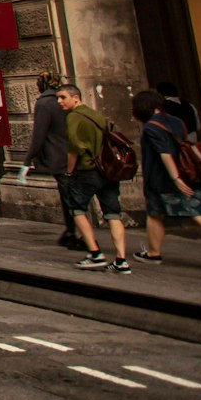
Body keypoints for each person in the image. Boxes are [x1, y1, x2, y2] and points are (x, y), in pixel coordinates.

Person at [131, 90, 201, 271]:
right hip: (188, 173)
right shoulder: (176, 121)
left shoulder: (151, 127)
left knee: (155, 213)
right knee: (200, 214)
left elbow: (164, 153)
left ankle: (153, 253)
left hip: (163, 179)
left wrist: (176, 179)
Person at [60, 84, 130, 273]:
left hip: (87, 170)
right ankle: (121, 259)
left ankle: (95, 253)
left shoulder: (74, 117)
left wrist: (69, 170)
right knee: (113, 214)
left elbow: (75, 148)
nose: (60, 101)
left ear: (76, 98)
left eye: (63, 97)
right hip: (107, 171)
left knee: (77, 210)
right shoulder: (96, 114)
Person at [22, 72, 81, 249]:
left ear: (40, 85)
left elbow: (39, 135)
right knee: (73, 195)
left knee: (68, 196)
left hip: (58, 156)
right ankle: (73, 231)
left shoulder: (45, 103)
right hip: (76, 154)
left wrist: (28, 159)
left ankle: (76, 233)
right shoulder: (66, 101)